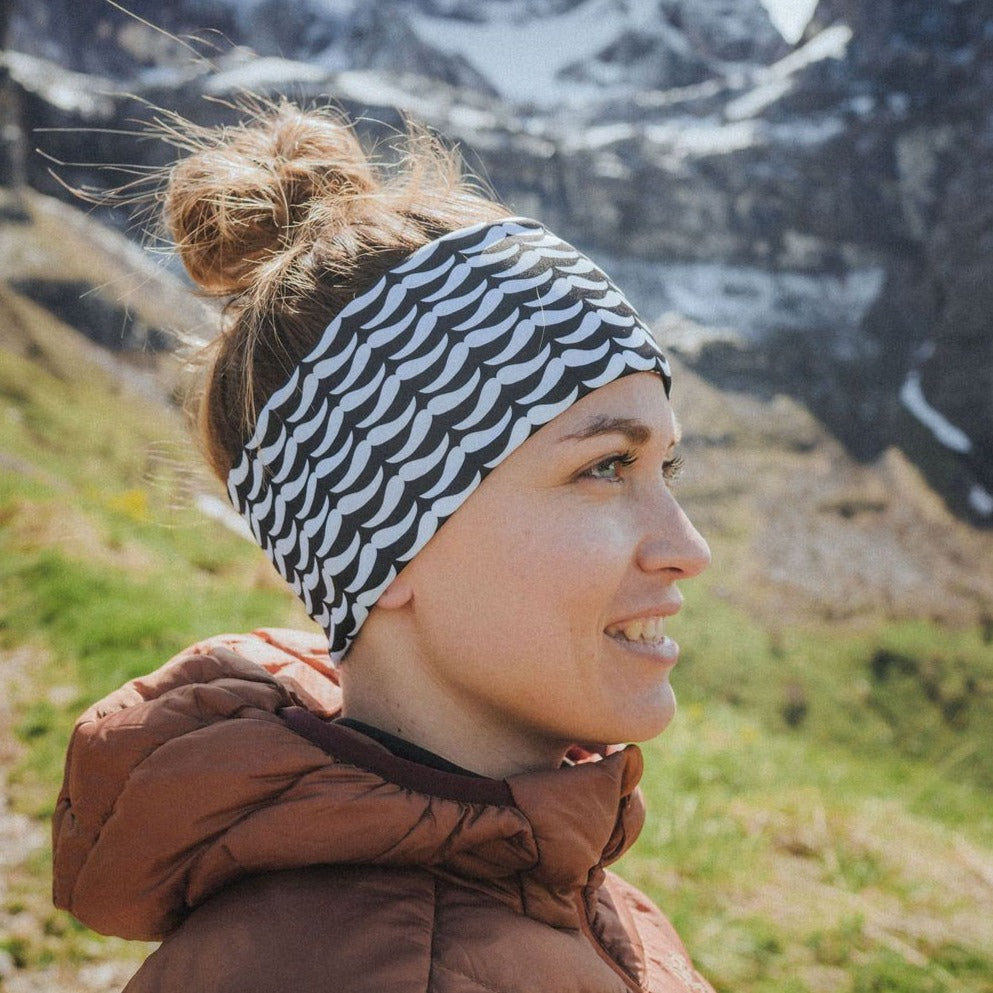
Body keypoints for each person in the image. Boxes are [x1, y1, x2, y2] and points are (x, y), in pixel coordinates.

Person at [52, 100, 714, 992]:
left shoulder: (545, 876)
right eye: (604, 467)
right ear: (386, 537)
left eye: (665, 468)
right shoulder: (391, 964)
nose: (686, 547)